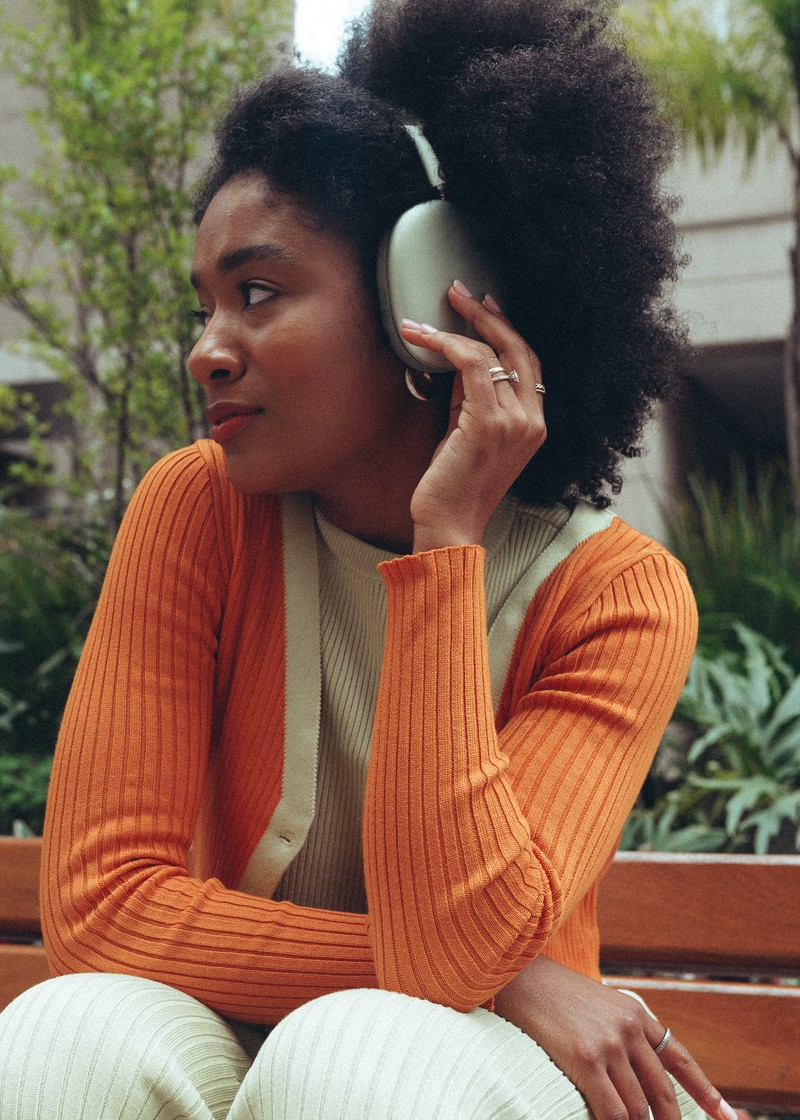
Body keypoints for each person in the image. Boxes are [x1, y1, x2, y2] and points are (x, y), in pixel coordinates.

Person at [0, 1, 737, 1118]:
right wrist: (521, 980)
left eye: (257, 293)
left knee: (356, 1062)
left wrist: (445, 546)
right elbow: (103, 909)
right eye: (201, 305)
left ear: (423, 301)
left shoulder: (615, 594)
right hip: (255, 1021)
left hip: (475, 1072)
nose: (206, 349)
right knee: (61, 1035)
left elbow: (453, 951)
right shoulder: (196, 510)